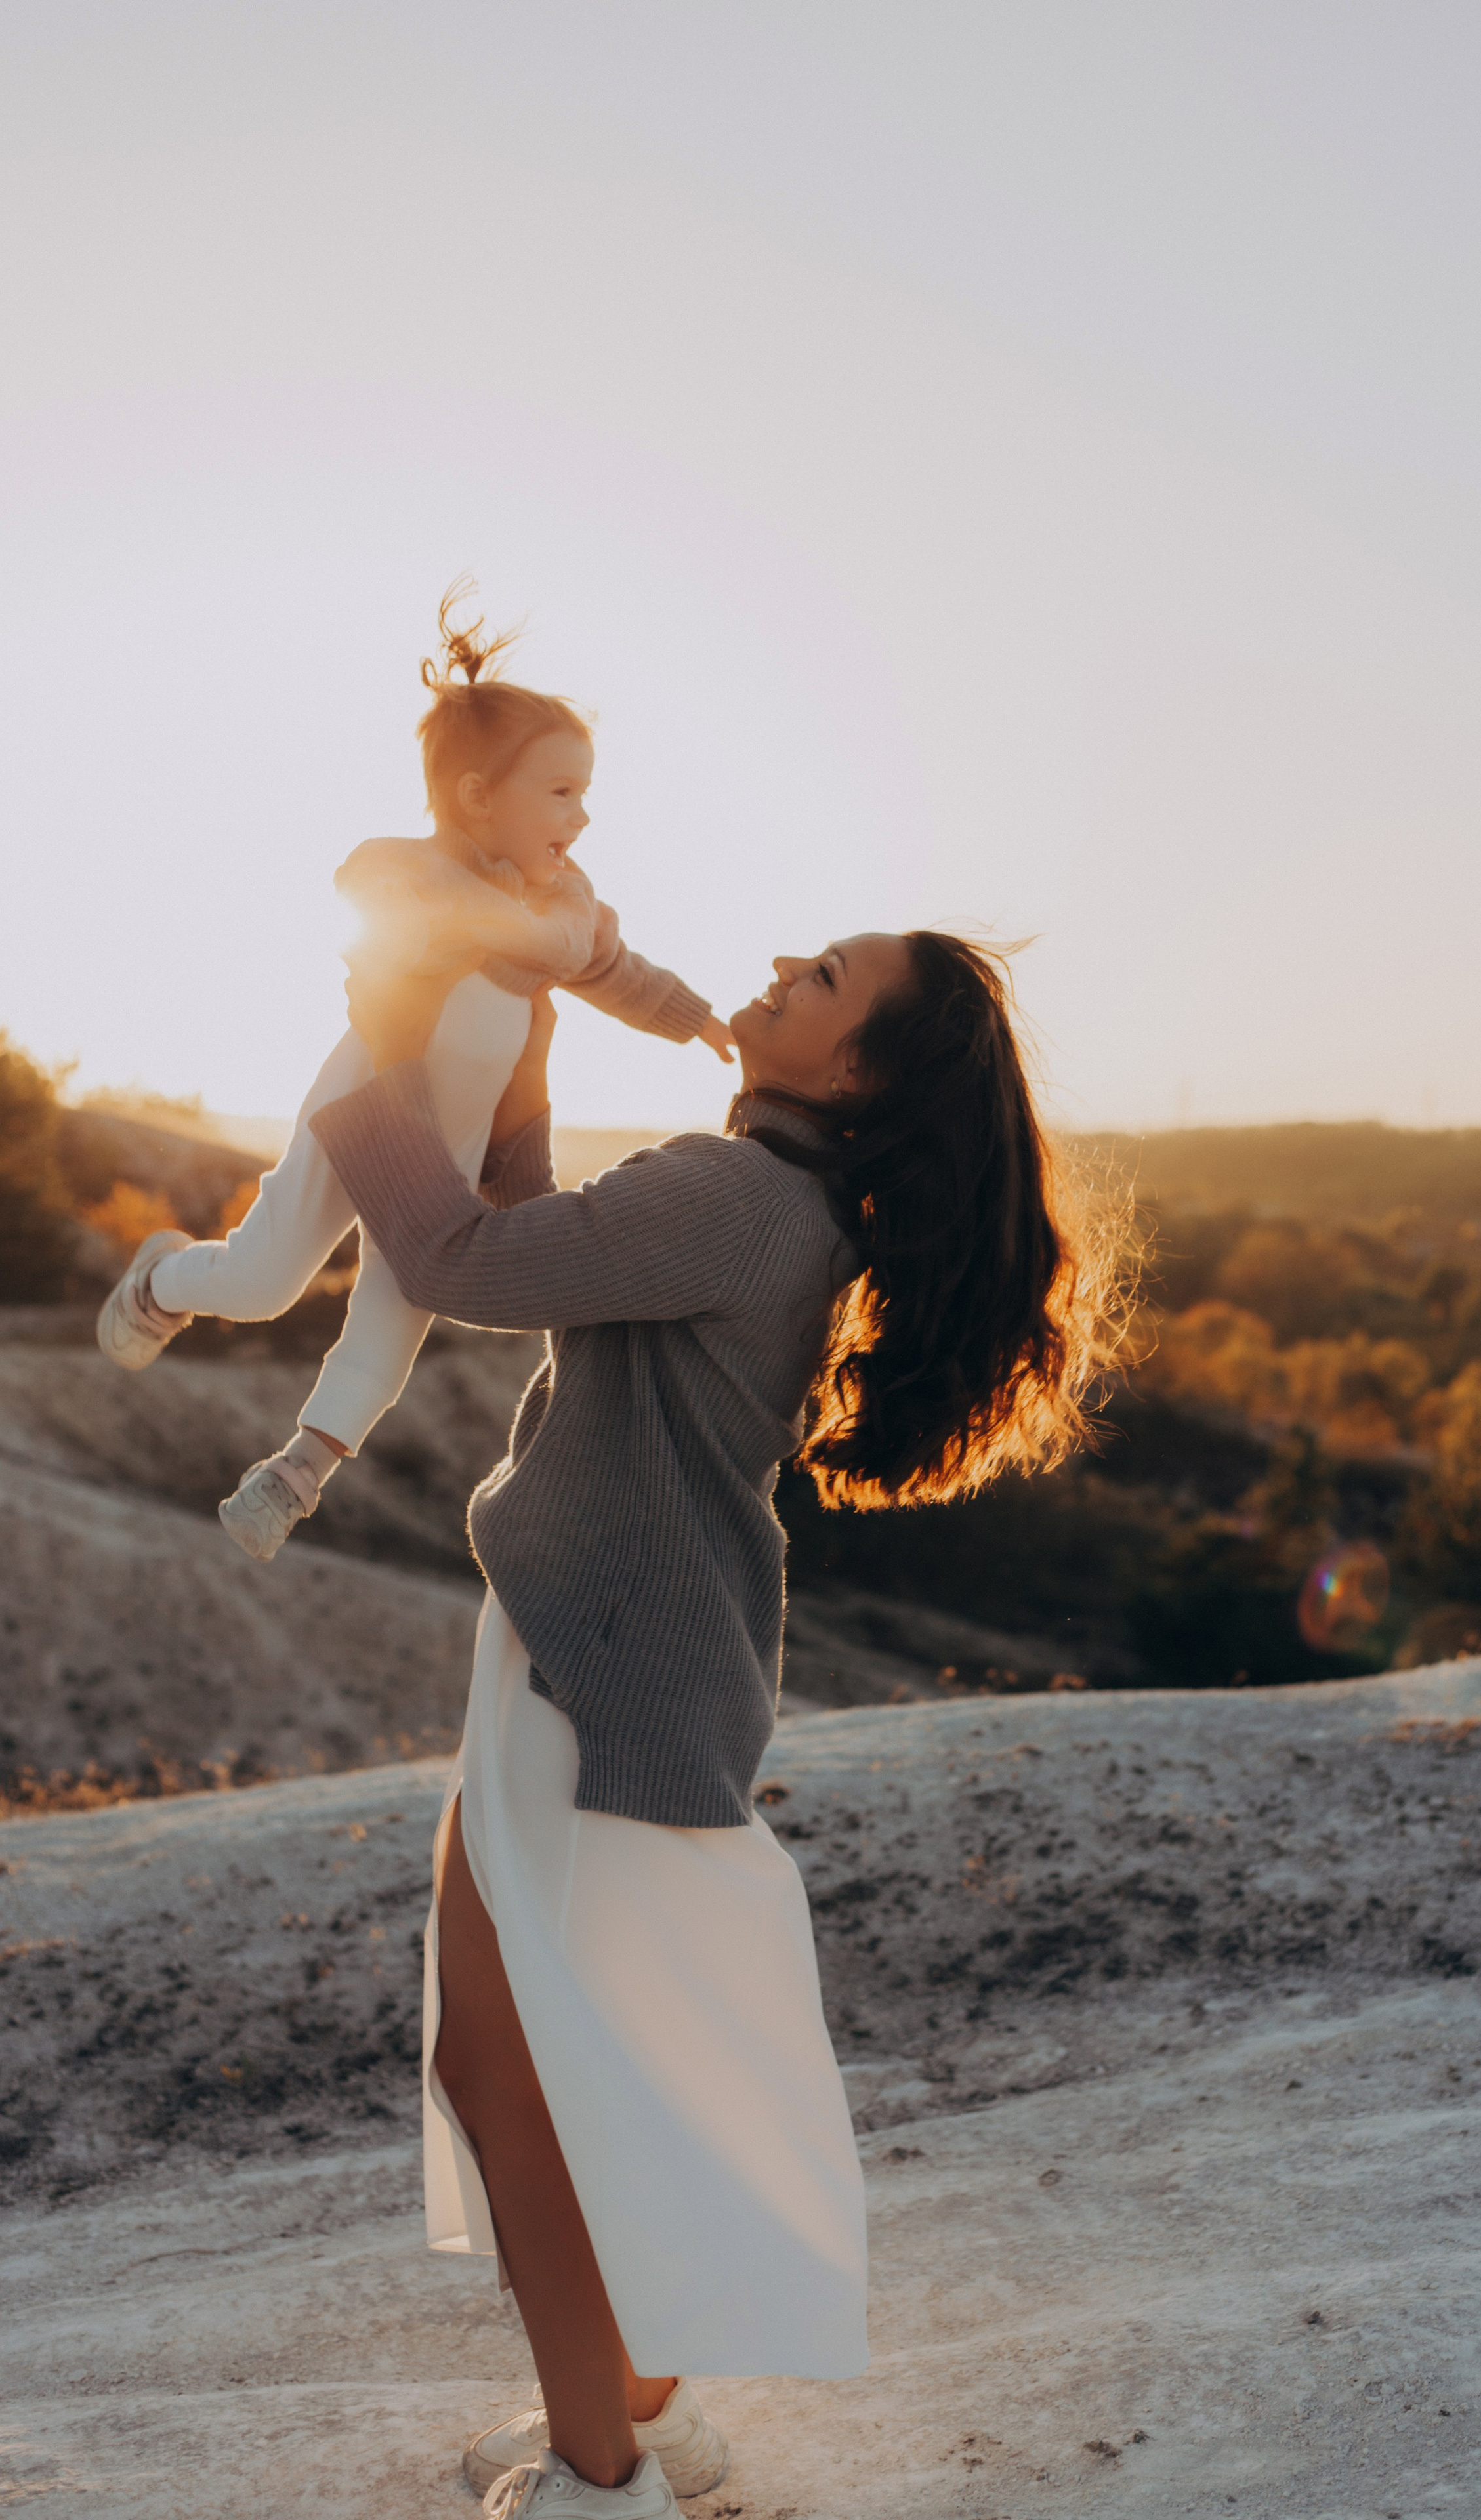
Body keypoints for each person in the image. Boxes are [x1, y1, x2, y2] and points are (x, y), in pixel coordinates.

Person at [307, 921, 1115, 2519]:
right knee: (559, 2068)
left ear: (857, 1069)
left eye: (820, 982)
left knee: (503, 2073)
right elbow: (544, 1243)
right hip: (603, 1653)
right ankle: (632, 2413)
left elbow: (457, 1263)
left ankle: (598, 2470)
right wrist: (521, 1067)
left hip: (591, 1674)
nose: (779, 974)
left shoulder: (733, 1197)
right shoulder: (766, 1201)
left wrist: (373, 1052)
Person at [93, 585, 731, 1561]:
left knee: (405, 1296)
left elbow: (613, 969)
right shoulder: (415, 872)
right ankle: (167, 1279)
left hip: (460, 1150)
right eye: (560, 791)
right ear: (479, 797)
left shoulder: (566, 909)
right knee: (264, 1281)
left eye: (585, 791)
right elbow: (370, 891)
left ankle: (298, 1470)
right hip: (366, 1106)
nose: (584, 815)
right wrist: (485, 920)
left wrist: (695, 1020)